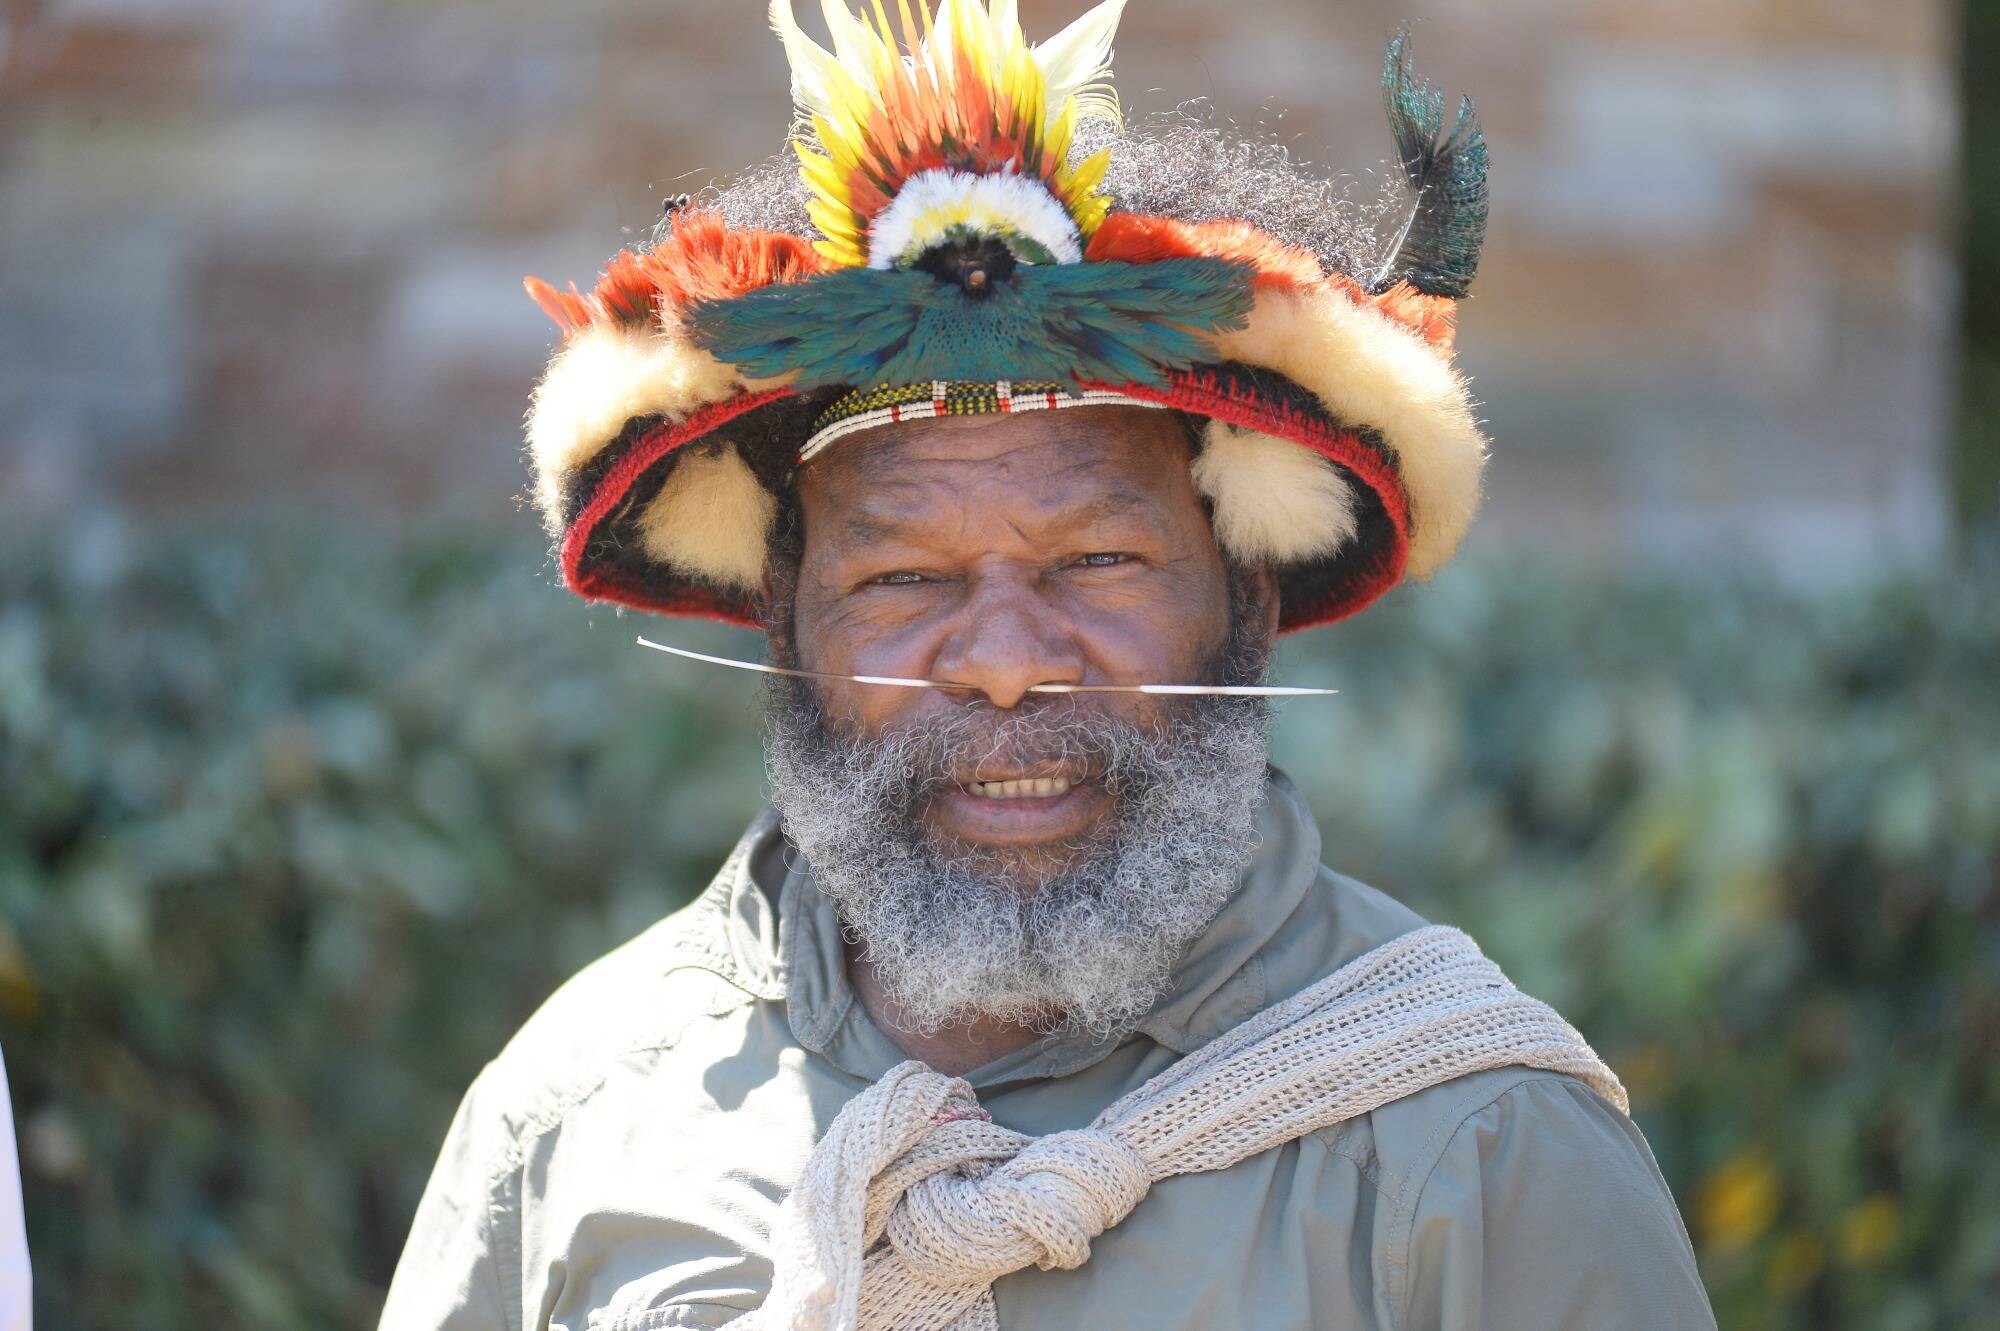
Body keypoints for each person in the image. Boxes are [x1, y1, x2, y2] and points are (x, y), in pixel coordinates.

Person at [382, 3, 1716, 1327]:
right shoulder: (584, 1113)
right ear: (785, 617)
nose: (1008, 668)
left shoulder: (1479, 1147)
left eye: (1098, 564)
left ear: (1244, 588)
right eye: (903, 578)